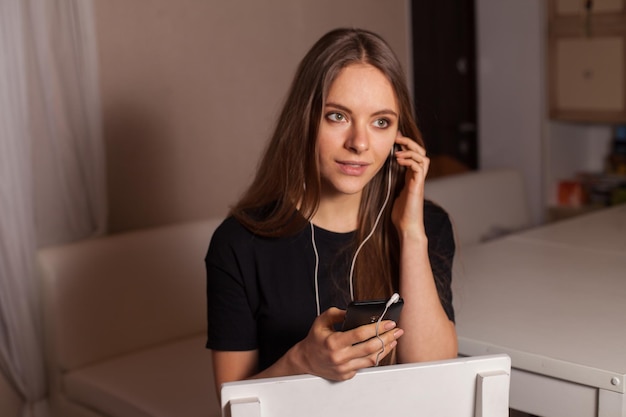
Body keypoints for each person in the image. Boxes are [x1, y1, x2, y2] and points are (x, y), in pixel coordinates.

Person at [205, 28, 457, 391]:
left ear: (399, 137)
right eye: (338, 116)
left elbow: (434, 373)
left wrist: (412, 233)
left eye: (381, 122)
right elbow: (232, 406)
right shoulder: (239, 243)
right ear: (305, 120)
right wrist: (303, 360)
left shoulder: (426, 224)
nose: (359, 143)